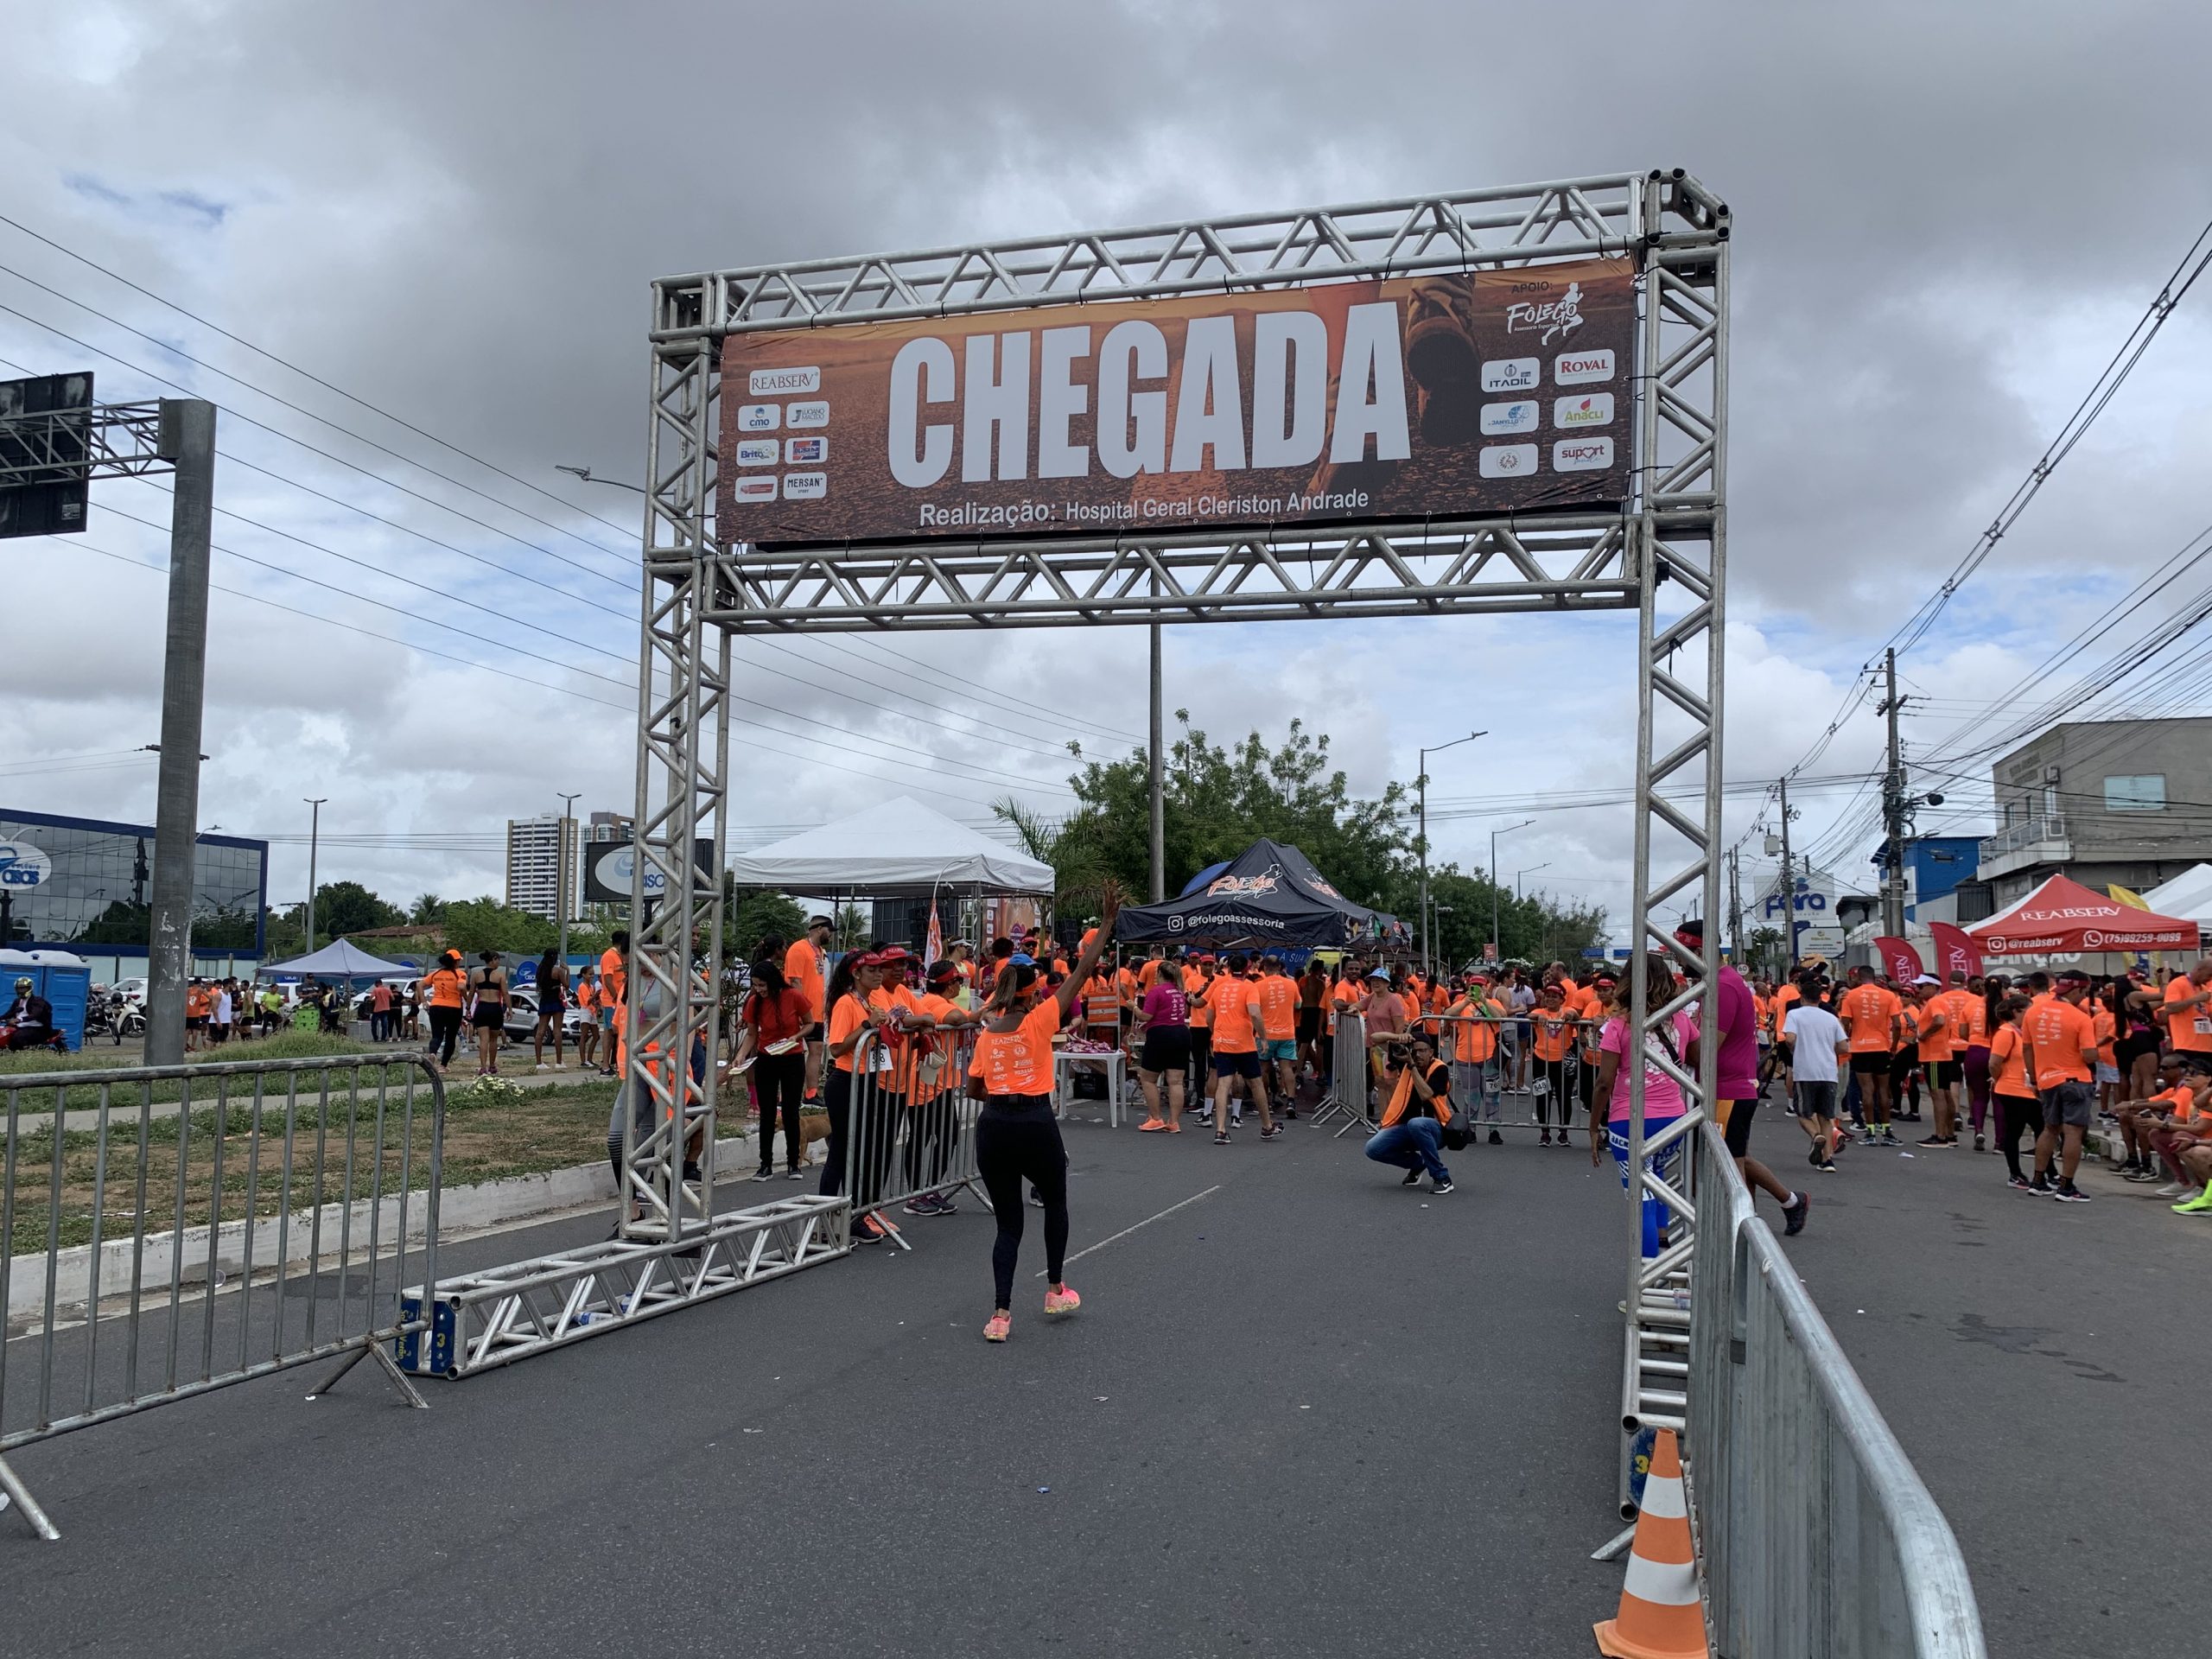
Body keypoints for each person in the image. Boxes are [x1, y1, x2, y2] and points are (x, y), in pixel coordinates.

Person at [969, 892, 1118, 1342]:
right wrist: (1107, 921)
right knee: (1055, 1201)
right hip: (1034, 1121)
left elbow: (973, 1089)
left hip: (994, 1125)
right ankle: (1055, 1287)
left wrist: (1003, 1088)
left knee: (1007, 1224)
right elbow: (1084, 970)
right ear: (1033, 993)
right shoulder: (1040, 1020)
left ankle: (1000, 1314)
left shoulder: (985, 1035)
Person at [1675, 919, 1808, 1232]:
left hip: (1728, 1090)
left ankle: (1742, 1230)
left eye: (1683, 953)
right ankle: (1788, 1203)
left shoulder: (1722, 986)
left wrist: (1674, 1039)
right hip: (1727, 1088)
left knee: (1728, 1169)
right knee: (1735, 1160)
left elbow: (1706, 1049)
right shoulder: (1719, 983)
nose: (1680, 961)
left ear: (1699, 949)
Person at [1589, 959, 1700, 1257]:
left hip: (1630, 1121)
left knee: (1641, 1199)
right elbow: (1700, 1059)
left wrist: (1593, 1126)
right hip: (1673, 1119)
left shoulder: (1618, 1025)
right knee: (1658, 1182)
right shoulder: (1680, 1020)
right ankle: (1664, 1257)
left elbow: (1604, 1082)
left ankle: (1648, 1279)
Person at [899, 960, 977, 1215]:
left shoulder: (944, 1001)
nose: (962, 986)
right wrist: (979, 1015)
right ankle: (915, 1195)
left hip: (938, 1082)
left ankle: (930, 1189)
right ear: (949, 984)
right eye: (959, 981)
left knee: (948, 1135)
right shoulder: (934, 1003)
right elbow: (955, 1018)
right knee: (921, 1137)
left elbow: (961, 1017)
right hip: (922, 1082)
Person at [734, 953, 812, 1180]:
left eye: (762, 985)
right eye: (755, 985)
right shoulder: (754, 1002)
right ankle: (765, 1164)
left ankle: (793, 1163)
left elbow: (810, 1023)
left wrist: (796, 1037)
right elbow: (751, 1034)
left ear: (773, 981)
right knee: (767, 1113)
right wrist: (740, 1056)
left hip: (792, 1057)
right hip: (766, 1058)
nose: (759, 989)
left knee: (790, 1111)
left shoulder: (793, 996)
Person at [2027, 969, 2100, 1201]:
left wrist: (2035, 1078)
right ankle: (2066, 1186)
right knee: (2073, 1133)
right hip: (2075, 1079)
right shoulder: (2080, 1017)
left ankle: (2038, 1181)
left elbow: (2027, 1048)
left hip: (2046, 1079)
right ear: (2077, 989)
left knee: (2049, 1129)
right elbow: (2089, 1055)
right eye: (2084, 992)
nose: (2084, 997)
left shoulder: (2033, 1011)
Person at [1363, 1030, 1456, 1192]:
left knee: (1417, 1123)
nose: (1418, 1054)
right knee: (1373, 1148)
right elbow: (1374, 1038)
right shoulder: (1405, 1062)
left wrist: (1412, 1066)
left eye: (1422, 1051)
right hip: (1408, 1128)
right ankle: (1417, 1164)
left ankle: (1442, 1178)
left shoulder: (1440, 1068)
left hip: (1436, 1129)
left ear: (1431, 1052)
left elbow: (1426, 1094)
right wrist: (1397, 1037)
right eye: (1415, 1050)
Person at [1782, 974, 1849, 1171]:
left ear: (1802, 998)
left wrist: (1796, 1049)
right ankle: (1827, 1159)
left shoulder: (1795, 1014)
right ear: (1821, 998)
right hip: (1828, 1072)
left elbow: (1790, 1039)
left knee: (1803, 1113)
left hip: (1805, 1071)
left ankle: (1815, 1136)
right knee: (1826, 1117)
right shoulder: (1831, 1018)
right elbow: (1844, 1047)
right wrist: (1828, 1050)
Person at [1206, 953, 1277, 1141]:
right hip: (1244, 1043)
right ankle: (1267, 1126)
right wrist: (1263, 1037)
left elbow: (1209, 1015)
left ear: (1228, 968)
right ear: (1247, 969)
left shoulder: (1219, 987)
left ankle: (1220, 1130)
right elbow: (1254, 1013)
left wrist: (1216, 1032)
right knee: (1255, 1083)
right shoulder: (1250, 987)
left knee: (1223, 1083)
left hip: (1222, 1042)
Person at [1838, 966, 1904, 1146]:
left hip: (1860, 1048)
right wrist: (1894, 1047)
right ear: (1873, 977)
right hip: (1882, 1047)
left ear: (1859, 978)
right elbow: (1897, 1025)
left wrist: (1851, 1036)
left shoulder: (1850, 996)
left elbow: (1845, 1023)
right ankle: (1887, 1131)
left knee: (1866, 1091)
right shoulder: (1889, 996)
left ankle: (1870, 1132)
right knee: (1883, 1090)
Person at [1986, 993, 2042, 1190]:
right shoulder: (2005, 1033)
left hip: (2029, 1089)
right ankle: (2015, 1173)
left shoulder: (2021, 1032)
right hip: (2012, 1089)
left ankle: (2048, 1173)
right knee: (2015, 1132)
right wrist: (2000, 1078)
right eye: (2029, 1010)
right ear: (2016, 1012)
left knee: (2042, 1131)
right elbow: (1994, 1063)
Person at [1134, 952, 1190, 1133]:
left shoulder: (1156, 991)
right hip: (1180, 1033)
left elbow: (1146, 1015)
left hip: (1160, 1034)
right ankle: (1173, 1122)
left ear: (1159, 974)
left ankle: (1156, 1117)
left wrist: (1133, 1008)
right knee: (1175, 1081)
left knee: (1148, 1077)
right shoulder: (1179, 992)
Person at [1526, 983, 1575, 1145]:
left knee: (1564, 1097)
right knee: (1543, 1096)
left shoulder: (1567, 1011)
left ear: (1562, 999)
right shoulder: (1540, 1012)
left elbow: (1576, 1016)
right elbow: (1529, 1016)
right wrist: (1537, 1017)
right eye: (1548, 996)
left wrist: (1573, 1015)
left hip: (1562, 1061)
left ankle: (1564, 1132)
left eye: (1555, 996)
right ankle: (1545, 1132)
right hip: (1541, 1060)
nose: (1550, 999)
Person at [1255, 953, 1301, 1114]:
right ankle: (1290, 1101)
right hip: (1287, 1033)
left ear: (1265, 968)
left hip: (1265, 1034)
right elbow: (1298, 1005)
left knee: (1264, 1068)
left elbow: (1254, 1009)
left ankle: (1266, 1101)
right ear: (1280, 967)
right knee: (1286, 1068)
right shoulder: (1291, 984)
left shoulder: (1258, 986)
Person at [467, 950, 509, 1076]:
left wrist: (468, 1008)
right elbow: (505, 993)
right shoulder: (500, 975)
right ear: (494, 959)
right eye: (498, 960)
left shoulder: (476, 975)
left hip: (482, 1008)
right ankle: (492, 1065)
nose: (499, 963)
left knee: (483, 1039)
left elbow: (471, 992)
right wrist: (510, 1009)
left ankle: (483, 1067)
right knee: (494, 1039)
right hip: (495, 1007)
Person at [423, 950, 465, 1069]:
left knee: (437, 1035)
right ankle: (443, 1066)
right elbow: (461, 987)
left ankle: (432, 1053)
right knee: (450, 1037)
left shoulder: (436, 973)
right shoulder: (459, 974)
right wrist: (467, 998)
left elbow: (420, 985)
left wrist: (424, 1001)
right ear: (455, 962)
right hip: (454, 1007)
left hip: (436, 1006)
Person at [533, 948, 569, 1070]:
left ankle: (539, 1062)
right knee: (557, 1031)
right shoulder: (557, 971)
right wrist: (567, 971)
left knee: (540, 1031)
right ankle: (559, 1062)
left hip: (544, 1000)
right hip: (556, 1001)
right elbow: (567, 985)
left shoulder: (540, 970)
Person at [3, 976, 55, 1051]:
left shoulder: (37, 1001)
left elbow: (35, 1015)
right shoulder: (17, 1001)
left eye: (23, 988)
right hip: (20, 1027)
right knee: (6, 1034)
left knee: (18, 1037)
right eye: (19, 988)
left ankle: (31, 1052)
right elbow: (8, 1014)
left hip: (38, 1029)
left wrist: (19, 1019)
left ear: (30, 988)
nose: (21, 990)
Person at [368, 978, 394, 1043]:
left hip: (377, 1009)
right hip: (386, 1009)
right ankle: (383, 1038)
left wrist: (370, 1000)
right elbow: (393, 998)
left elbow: (370, 999)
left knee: (374, 1024)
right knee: (384, 1024)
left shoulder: (376, 990)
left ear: (377, 984)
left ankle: (375, 1038)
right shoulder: (388, 990)